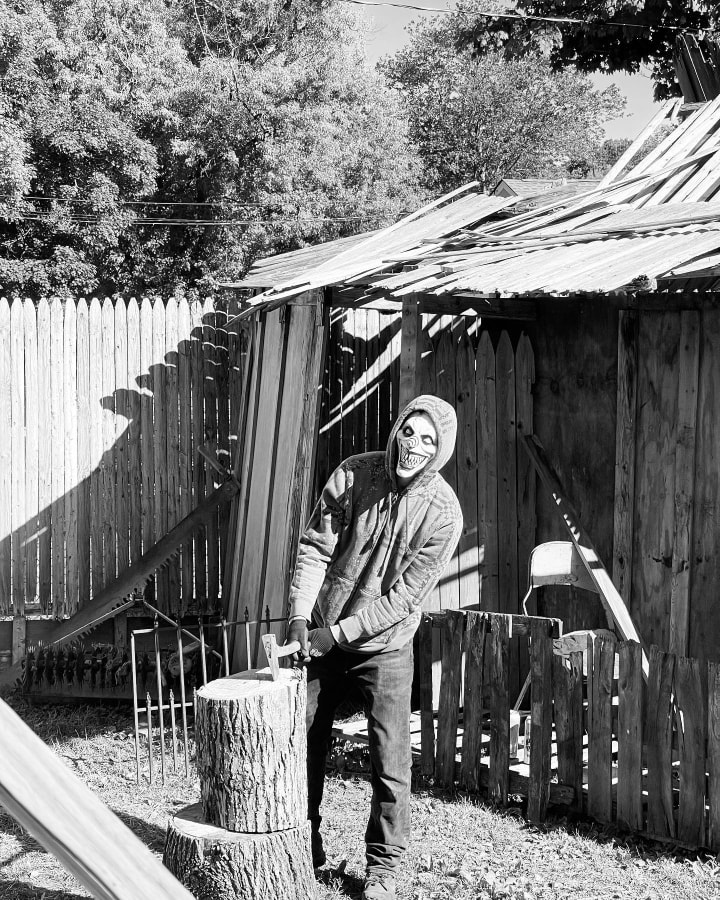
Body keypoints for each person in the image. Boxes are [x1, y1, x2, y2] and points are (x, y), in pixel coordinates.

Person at [285, 394, 463, 900]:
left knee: (389, 759)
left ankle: (383, 867)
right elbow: (315, 547)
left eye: (428, 440)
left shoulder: (445, 516)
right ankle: (303, 844)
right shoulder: (353, 474)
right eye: (410, 432)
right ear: (397, 430)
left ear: (440, 449)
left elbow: (405, 599)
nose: (414, 446)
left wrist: (338, 635)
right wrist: (301, 618)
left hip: (385, 646)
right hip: (322, 631)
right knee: (303, 743)